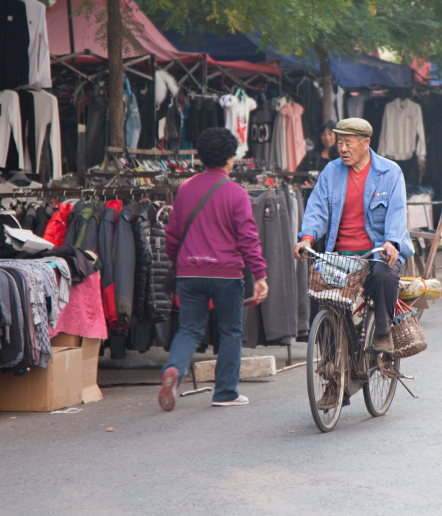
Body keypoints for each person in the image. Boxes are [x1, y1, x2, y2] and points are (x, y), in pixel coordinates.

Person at [158, 127, 269, 411]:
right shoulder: (236, 193)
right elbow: (248, 238)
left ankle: (174, 370)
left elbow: (172, 234)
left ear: (201, 156)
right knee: (230, 331)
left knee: (189, 329)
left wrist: (176, 260)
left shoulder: (185, 190)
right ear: (230, 158)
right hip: (226, 274)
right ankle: (225, 393)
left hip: (189, 273)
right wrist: (259, 275)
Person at [294, 117, 414, 356]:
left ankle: (382, 332)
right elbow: (317, 209)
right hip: (340, 257)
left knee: (384, 276)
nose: (342, 149)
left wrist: (391, 242)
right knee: (319, 288)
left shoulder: (390, 172)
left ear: (366, 142)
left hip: (375, 253)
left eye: (348, 143)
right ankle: (330, 369)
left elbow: (397, 213)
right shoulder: (331, 171)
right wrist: (306, 238)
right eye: (340, 143)